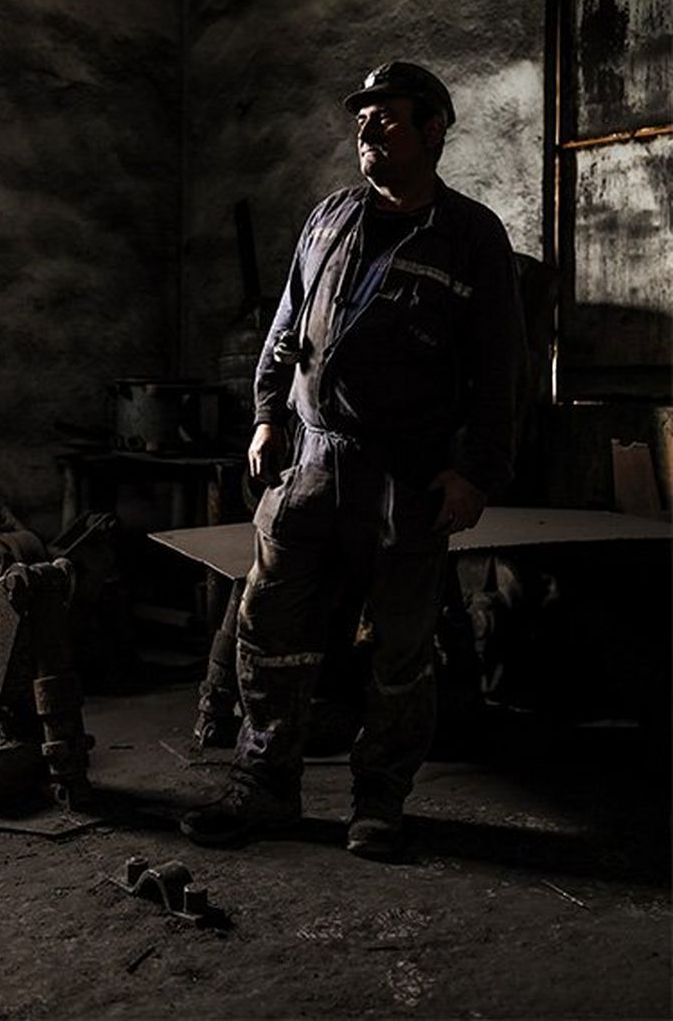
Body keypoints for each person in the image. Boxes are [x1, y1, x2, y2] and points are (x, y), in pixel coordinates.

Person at [181, 61, 527, 861]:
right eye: (363, 117)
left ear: (436, 128)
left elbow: (499, 370)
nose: (368, 129)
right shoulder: (330, 217)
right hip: (309, 468)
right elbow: (285, 328)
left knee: (399, 650)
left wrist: (477, 471)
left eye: (389, 116)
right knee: (271, 629)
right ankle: (265, 785)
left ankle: (380, 801)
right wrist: (267, 415)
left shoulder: (472, 235)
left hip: (405, 479)